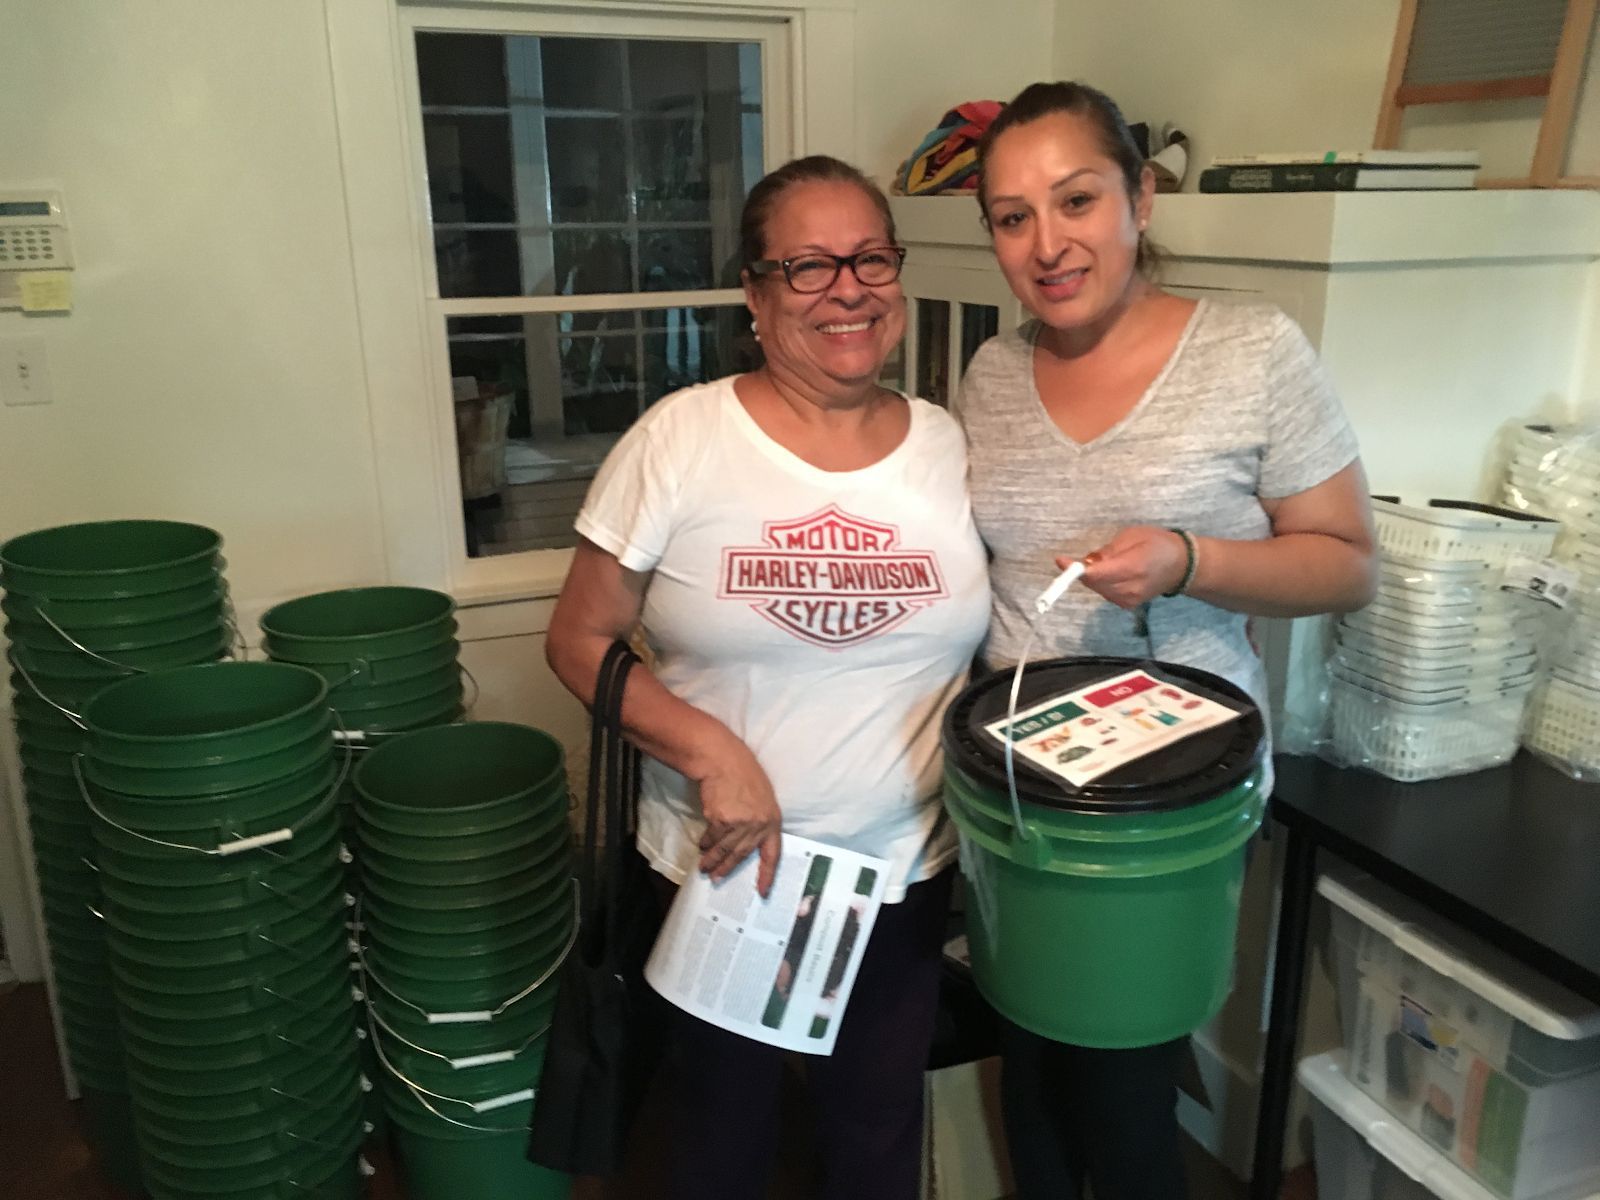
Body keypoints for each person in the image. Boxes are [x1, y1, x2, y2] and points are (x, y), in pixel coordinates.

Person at [956, 81, 1378, 1200]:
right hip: (1018, 780)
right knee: (1030, 1057)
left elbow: (1345, 560)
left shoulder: (1251, 350)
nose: (1046, 245)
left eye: (1077, 200)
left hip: (1168, 798)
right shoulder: (991, 375)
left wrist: (1191, 560)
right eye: (1010, 217)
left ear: (1140, 197)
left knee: (1124, 1079)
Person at [544, 154, 991, 1200]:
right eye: (807, 266)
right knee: (719, 1147)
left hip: (897, 876)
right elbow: (577, 640)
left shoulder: (946, 445)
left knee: (874, 1142)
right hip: (726, 875)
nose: (848, 288)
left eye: (870, 257)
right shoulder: (682, 439)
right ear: (754, 293)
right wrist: (713, 753)